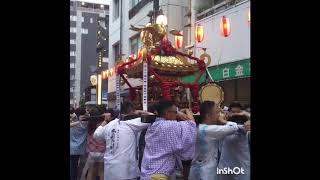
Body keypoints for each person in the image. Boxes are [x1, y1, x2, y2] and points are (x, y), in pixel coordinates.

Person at [93, 101, 153, 180]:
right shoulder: (132, 123)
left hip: (110, 170)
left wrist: (106, 120)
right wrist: (140, 112)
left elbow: (96, 135)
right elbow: (153, 117)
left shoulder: (110, 124)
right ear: (132, 111)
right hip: (126, 172)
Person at [140, 100, 197, 180]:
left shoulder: (154, 124)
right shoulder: (168, 126)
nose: (176, 114)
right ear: (167, 113)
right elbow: (191, 125)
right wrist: (188, 111)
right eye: (175, 112)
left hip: (149, 172)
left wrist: (176, 112)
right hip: (158, 175)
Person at [189, 101, 242, 180]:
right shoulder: (208, 130)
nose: (219, 115)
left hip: (199, 170)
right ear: (208, 115)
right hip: (205, 173)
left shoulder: (202, 128)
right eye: (217, 112)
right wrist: (223, 121)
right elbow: (233, 128)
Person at [217, 102, 251, 180]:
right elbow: (219, 119)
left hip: (241, 167)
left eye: (238, 112)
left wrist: (243, 114)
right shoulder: (222, 125)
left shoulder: (244, 127)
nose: (235, 115)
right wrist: (225, 116)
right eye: (233, 112)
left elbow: (244, 127)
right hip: (225, 165)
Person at [86, 106, 106, 180]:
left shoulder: (89, 124)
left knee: (91, 171)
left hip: (91, 151)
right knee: (101, 171)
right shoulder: (102, 124)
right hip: (102, 151)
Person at [70, 107, 88, 180]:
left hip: (72, 148)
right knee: (81, 166)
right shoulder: (87, 123)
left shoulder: (73, 122)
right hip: (82, 148)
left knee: (72, 167)